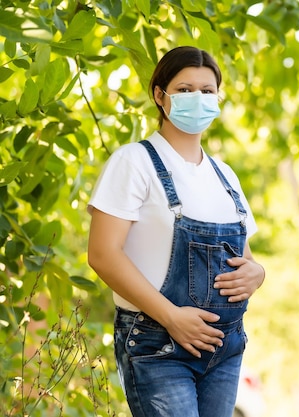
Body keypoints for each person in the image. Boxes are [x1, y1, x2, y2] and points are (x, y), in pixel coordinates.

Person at [87, 46, 265, 417]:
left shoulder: (225, 175)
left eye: (206, 90)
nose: (196, 98)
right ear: (159, 95)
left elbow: (246, 258)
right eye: (184, 89)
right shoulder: (133, 161)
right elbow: (102, 254)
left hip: (225, 346)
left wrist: (258, 273)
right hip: (157, 345)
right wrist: (171, 317)